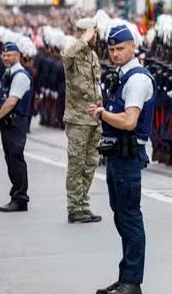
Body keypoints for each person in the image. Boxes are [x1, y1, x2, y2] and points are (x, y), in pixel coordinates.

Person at [88, 23, 156, 294]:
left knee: (129, 217)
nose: (115, 54)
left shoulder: (137, 79)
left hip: (129, 156)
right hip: (117, 155)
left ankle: (132, 281)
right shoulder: (122, 74)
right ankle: (124, 277)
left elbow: (129, 121)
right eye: (112, 49)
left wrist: (101, 114)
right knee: (121, 216)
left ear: (132, 47)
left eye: (120, 49)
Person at [61, 19, 104, 224]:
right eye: (93, 33)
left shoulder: (93, 56)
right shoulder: (72, 53)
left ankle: (83, 205)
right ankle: (73, 207)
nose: (96, 37)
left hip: (94, 119)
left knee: (90, 164)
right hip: (77, 120)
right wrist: (84, 39)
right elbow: (66, 56)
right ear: (84, 33)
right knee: (76, 164)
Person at [0, 40, 33, 212]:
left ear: (18, 55)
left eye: (9, 54)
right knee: (10, 159)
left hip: (16, 122)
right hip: (6, 122)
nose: (5, 58)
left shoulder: (20, 75)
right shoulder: (6, 73)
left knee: (16, 158)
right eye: (4, 55)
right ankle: (16, 193)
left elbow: (10, 102)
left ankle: (21, 198)